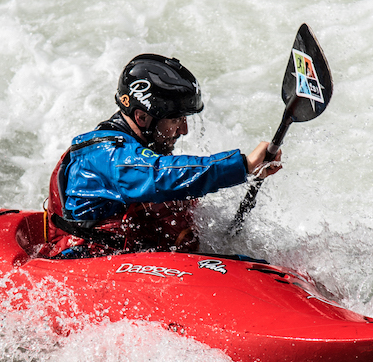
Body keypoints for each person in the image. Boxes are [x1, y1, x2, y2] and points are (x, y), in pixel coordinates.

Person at [39, 54, 282, 258]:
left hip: (137, 265)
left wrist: (253, 175)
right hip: (88, 268)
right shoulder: (107, 156)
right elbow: (160, 175)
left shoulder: (137, 152)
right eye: (176, 120)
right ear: (141, 117)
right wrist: (243, 165)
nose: (183, 130)